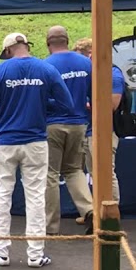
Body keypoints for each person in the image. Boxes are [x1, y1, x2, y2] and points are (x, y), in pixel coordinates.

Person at [0, 33, 75, 268]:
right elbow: (67, 104)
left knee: (2, 196)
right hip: (35, 141)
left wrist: (5, 111)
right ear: (27, 46)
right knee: (35, 197)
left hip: (4, 140)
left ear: (8, 50)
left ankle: (1, 252)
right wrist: (42, 105)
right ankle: (35, 254)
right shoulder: (46, 69)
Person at [42, 26, 92, 232]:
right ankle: (90, 210)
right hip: (79, 123)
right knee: (74, 170)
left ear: (48, 44)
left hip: (52, 124)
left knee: (50, 174)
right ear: (67, 40)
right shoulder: (86, 62)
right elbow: (94, 93)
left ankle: (50, 225)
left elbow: (42, 98)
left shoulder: (45, 66)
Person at [73, 37, 124, 225]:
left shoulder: (113, 74)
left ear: (91, 54)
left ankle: (112, 215)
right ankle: (96, 212)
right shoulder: (88, 74)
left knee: (107, 173)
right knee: (94, 173)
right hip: (87, 131)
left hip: (104, 132)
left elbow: (111, 104)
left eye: (83, 59)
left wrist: (87, 104)